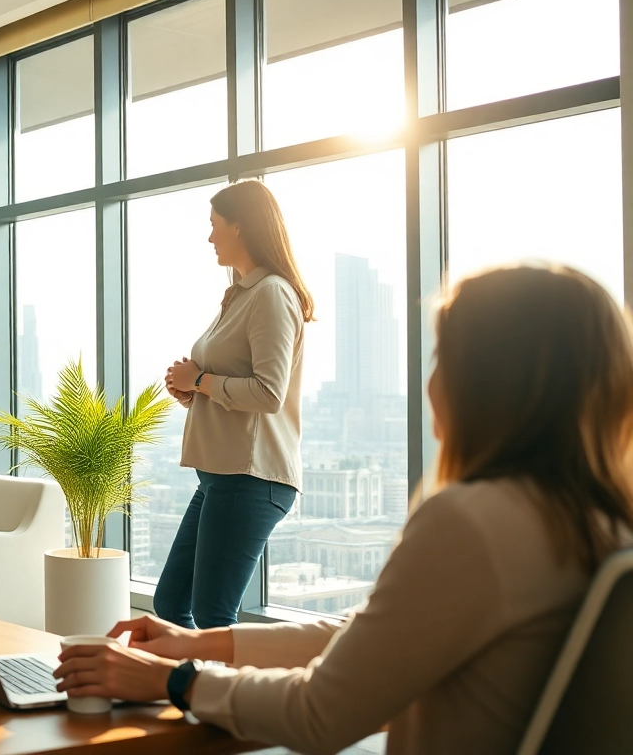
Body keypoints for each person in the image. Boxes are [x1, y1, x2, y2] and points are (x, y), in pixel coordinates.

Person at [55, 264, 633, 754]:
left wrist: (175, 680)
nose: (430, 384)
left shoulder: (471, 521)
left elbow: (319, 714)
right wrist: (200, 644)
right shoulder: (591, 522)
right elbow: (371, 636)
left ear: (487, 382)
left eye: (442, 358)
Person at [156, 180, 315, 629]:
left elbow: (268, 393)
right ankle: (193, 696)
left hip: (251, 478)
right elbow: (235, 393)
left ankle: (227, 699)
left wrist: (203, 380)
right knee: (171, 607)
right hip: (220, 477)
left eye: (215, 226)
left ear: (240, 227)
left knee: (212, 615)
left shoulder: (271, 294)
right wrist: (192, 392)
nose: (209, 237)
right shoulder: (239, 295)